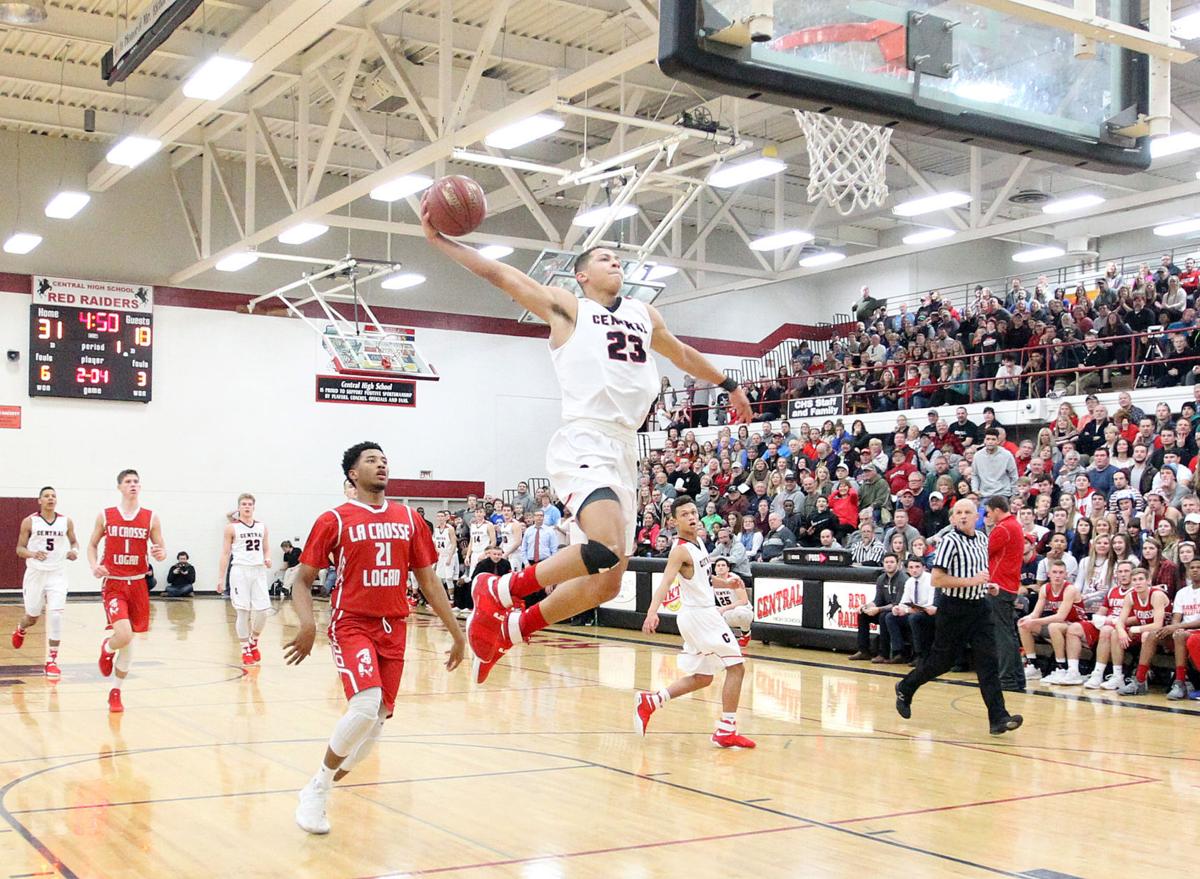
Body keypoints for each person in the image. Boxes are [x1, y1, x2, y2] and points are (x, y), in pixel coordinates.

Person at [422, 219, 753, 683]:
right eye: (602, 258)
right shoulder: (568, 308)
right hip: (584, 439)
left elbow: (680, 354)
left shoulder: (643, 314)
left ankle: (514, 628)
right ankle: (497, 588)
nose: (614, 261)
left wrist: (728, 383)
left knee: (607, 580)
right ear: (581, 275)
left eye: (616, 258)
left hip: (625, 449)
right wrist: (441, 241)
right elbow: (501, 275)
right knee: (605, 544)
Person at [285, 442, 465, 835]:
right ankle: (318, 787)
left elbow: (429, 582)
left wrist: (457, 632)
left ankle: (320, 787)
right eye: (372, 460)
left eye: (384, 459)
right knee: (365, 706)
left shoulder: (408, 518)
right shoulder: (334, 519)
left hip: (394, 626)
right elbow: (301, 579)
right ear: (352, 473)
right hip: (352, 623)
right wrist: (307, 623)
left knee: (376, 723)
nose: (381, 464)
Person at [894, 499, 1023, 736]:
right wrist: (972, 582)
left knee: (988, 663)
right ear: (952, 518)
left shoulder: (983, 539)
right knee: (941, 662)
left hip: (980, 608)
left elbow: (977, 575)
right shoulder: (949, 542)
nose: (963, 516)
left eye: (968, 512)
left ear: (977, 516)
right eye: (958, 512)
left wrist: (987, 586)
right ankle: (906, 686)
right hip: (954, 609)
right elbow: (937, 580)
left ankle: (998, 718)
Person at [636, 496, 754, 748]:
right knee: (737, 667)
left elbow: (703, 578)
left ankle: (652, 702)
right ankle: (726, 729)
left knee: (703, 677)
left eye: (693, 512)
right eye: (685, 514)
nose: (691, 517)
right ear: (674, 521)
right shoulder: (679, 550)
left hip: (700, 615)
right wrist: (652, 611)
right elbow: (666, 582)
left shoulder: (699, 540)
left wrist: (725, 583)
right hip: (701, 616)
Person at [87, 469, 167, 713]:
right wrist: (94, 565)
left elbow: (160, 547)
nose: (133, 485)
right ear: (120, 487)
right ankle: (106, 648)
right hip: (114, 583)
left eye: (136, 482)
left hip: (138, 583)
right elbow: (91, 545)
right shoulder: (106, 515)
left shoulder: (151, 517)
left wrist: (161, 553)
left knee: (129, 641)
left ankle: (116, 691)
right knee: (123, 634)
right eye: (128, 482)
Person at [12, 486, 78, 680]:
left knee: (56, 615)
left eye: (54, 496)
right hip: (35, 574)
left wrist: (74, 552)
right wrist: (33, 554)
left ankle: (52, 660)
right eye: (47, 496)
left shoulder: (66, 521)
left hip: (57, 574)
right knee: (32, 616)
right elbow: (19, 549)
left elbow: (75, 543)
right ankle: (21, 628)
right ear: (39, 500)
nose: (51, 498)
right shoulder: (29, 521)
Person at [217, 493, 272, 666]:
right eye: (243, 504)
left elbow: (266, 549)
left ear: (253, 507)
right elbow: (225, 553)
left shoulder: (262, 527)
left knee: (263, 611)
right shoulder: (231, 528)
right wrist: (220, 578)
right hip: (240, 571)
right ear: (239, 507)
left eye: (249, 504)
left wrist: (268, 558)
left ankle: (254, 640)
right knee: (243, 611)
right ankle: (244, 649)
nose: (247, 507)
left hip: (258, 571)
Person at [1017, 560, 1088, 685]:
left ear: (1066, 574)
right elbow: (1035, 613)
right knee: (1023, 625)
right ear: (1048, 574)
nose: (1057, 575)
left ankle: (1061, 667)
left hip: (1077, 625)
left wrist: (1034, 621)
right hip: (1060, 625)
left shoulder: (1070, 589)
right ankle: (1033, 665)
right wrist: (1027, 619)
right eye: (1054, 572)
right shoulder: (1045, 588)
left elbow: (1060, 617)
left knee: (1053, 626)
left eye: (1061, 572)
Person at [985, 496, 1026, 692]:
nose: (988, 516)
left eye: (989, 512)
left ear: (997, 510)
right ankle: (1017, 678)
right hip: (1009, 585)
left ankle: (1007, 679)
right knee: (1009, 633)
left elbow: (984, 552)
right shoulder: (1015, 525)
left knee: (1002, 635)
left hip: (998, 585)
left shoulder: (1002, 528)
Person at [1110, 569, 1172, 696]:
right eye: (1134, 580)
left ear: (1148, 581)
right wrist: (1121, 632)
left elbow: (1158, 625)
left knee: (1146, 634)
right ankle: (1117, 676)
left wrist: (1135, 629)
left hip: (1166, 634)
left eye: (1141, 579)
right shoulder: (1130, 596)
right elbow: (1120, 621)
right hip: (1146, 631)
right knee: (1115, 633)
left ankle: (1140, 679)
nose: (1137, 583)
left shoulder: (1156, 595)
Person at [849, 552, 905, 662]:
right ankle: (864, 650)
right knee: (863, 614)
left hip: (900, 612)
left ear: (898, 564)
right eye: (886, 562)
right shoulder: (881, 578)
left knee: (884, 616)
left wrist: (878, 609)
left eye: (892, 562)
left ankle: (883, 654)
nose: (889, 564)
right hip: (886, 609)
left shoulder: (903, 579)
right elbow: (877, 600)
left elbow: (898, 603)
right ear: (883, 564)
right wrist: (866, 606)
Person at [888, 556, 936, 664]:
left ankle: (920, 655)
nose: (914, 570)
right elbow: (904, 601)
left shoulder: (931, 579)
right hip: (914, 612)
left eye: (917, 567)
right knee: (890, 617)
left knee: (914, 618)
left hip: (929, 614)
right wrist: (898, 608)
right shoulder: (909, 581)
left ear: (924, 567)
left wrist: (908, 610)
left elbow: (930, 604)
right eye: (911, 567)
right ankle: (899, 652)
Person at [711, 557, 753, 648]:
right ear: (714, 569)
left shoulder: (735, 579)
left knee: (740, 612)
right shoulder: (714, 581)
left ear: (728, 568)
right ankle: (722, 636)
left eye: (723, 565)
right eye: (718, 565)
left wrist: (724, 608)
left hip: (744, 610)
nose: (720, 567)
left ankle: (745, 633)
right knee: (708, 612)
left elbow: (743, 601)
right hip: (729, 611)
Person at [433, 510, 460, 609]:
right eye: (438, 516)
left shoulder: (450, 529)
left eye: (442, 516)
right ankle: (441, 600)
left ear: (445, 518)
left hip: (450, 554)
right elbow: (435, 543)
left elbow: (454, 543)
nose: (440, 518)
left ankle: (452, 600)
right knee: (439, 578)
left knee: (449, 578)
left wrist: (449, 558)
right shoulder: (436, 529)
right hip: (441, 555)